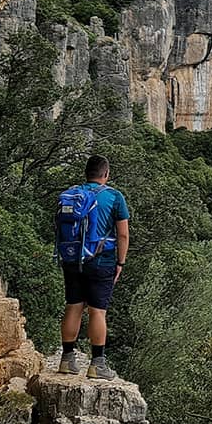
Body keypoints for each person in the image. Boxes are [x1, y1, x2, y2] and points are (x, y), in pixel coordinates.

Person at [58, 154, 130, 378]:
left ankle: (67, 360)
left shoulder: (72, 194)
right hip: (101, 260)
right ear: (106, 174)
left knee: (74, 305)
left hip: (72, 258)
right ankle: (97, 364)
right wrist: (120, 262)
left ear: (86, 173)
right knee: (98, 310)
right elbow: (123, 234)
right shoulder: (114, 196)